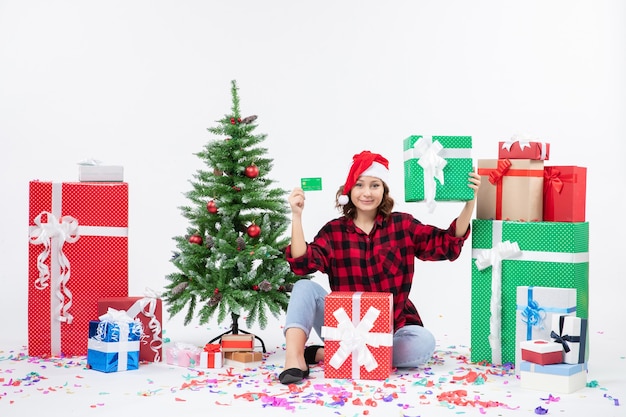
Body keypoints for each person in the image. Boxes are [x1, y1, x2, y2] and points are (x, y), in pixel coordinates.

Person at [278, 150, 481, 385]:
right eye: (360, 185)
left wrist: (469, 204)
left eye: (375, 185)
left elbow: (445, 245)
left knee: (423, 343)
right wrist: (297, 216)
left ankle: (327, 354)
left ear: (383, 191)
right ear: (349, 192)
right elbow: (303, 264)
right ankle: (295, 359)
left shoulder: (402, 225)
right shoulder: (333, 232)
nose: (367, 192)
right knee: (304, 286)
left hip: (392, 329)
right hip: (344, 326)